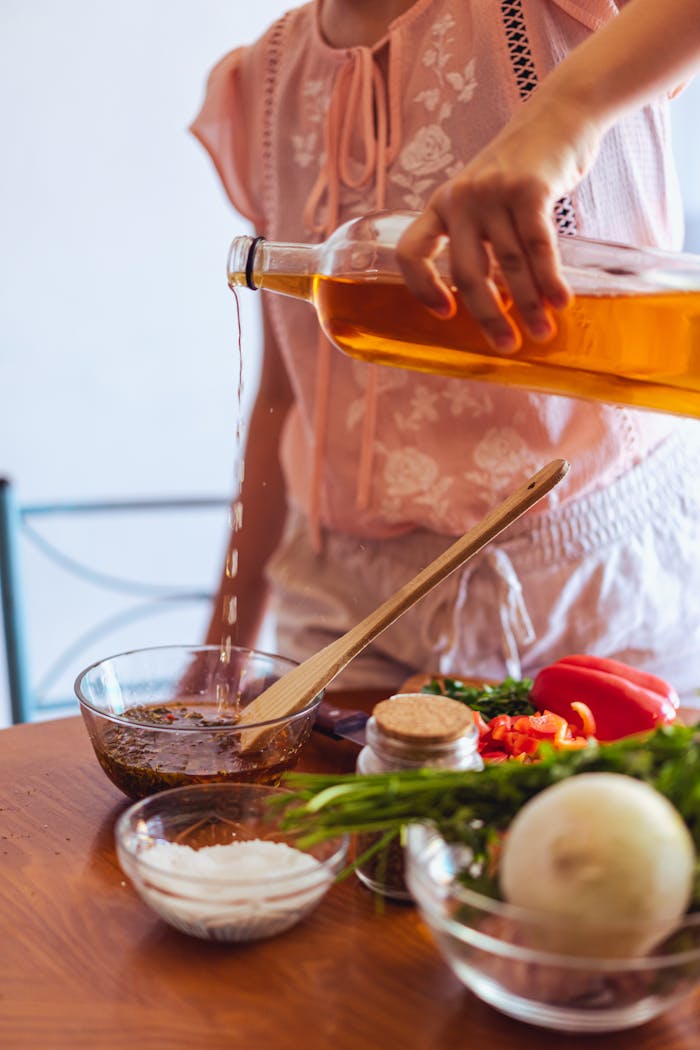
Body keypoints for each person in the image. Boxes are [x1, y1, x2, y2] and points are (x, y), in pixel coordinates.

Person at [191, 0, 700, 697]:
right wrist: (225, 643)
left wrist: (563, 114)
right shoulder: (265, 80)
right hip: (343, 617)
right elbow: (288, 393)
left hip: (594, 604)